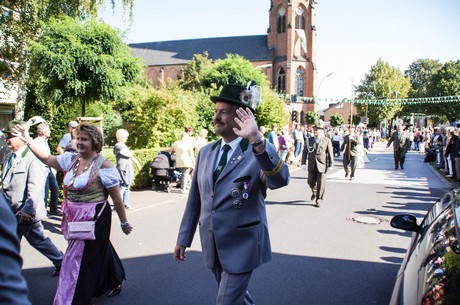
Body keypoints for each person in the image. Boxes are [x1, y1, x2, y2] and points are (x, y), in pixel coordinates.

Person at [173, 83, 290, 305]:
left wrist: (257, 139)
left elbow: (280, 180)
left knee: (226, 301)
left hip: (243, 243)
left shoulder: (255, 150)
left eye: (223, 112)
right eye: (216, 111)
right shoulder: (207, 152)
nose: (216, 117)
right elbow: (196, 200)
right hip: (213, 243)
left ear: (240, 117)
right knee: (235, 298)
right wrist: (183, 238)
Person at [12, 122, 133, 305]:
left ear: (95, 141)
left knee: (79, 259)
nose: (79, 142)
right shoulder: (71, 159)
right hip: (73, 216)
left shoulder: (104, 165)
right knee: (97, 250)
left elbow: (116, 197)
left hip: (95, 217)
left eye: (84, 139)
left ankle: (73, 298)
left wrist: (124, 223)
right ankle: (113, 279)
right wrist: (28, 140)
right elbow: (47, 159)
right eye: (78, 138)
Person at [1, 120, 64, 277]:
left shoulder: (32, 157)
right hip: (11, 212)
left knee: (37, 240)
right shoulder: (10, 156)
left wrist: (28, 210)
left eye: (10, 136)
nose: (6, 139)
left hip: (23, 213)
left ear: (22, 137)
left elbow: (36, 186)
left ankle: (61, 261)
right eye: (6, 136)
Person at [0, 194, 31, 305]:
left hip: (22, 211)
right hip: (14, 210)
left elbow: (34, 187)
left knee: (38, 240)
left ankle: (59, 259)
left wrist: (29, 208)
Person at [34, 122, 62, 216]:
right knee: (44, 191)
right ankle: (43, 211)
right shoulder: (37, 142)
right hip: (42, 169)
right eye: (48, 130)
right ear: (43, 132)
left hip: (48, 169)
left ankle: (53, 208)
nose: (50, 131)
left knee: (55, 188)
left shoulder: (45, 142)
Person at [306, 120, 334, 207]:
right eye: (314, 129)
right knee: (310, 181)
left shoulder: (326, 140)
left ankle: (319, 199)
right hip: (312, 164)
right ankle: (314, 191)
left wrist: (331, 165)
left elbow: (330, 153)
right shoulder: (309, 140)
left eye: (317, 129)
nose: (315, 131)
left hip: (322, 164)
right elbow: (304, 152)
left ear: (321, 131)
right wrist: (303, 163)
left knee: (321, 183)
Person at [114, 129, 141, 210]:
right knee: (123, 186)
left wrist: (137, 163)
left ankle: (126, 204)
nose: (127, 138)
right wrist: (131, 153)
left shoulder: (123, 146)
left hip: (127, 168)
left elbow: (130, 155)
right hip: (123, 169)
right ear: (121, 137)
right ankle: (117, 206)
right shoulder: (118, 146)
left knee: (126, 187)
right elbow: (127, 154)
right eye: (126, 137)